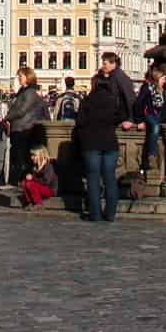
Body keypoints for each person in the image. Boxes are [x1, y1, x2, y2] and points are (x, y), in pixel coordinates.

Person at [74, 58, 129, 223]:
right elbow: (120, 116)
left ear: (94, 85)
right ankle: (110, 214)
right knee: (110, 179)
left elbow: (80, 123)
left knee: (93, 179)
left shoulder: (87, 101)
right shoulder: (113, 101)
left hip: (91, 144)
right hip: (110, 143)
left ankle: (95, 214)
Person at [4, 66, 44, 187]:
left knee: (22, 157)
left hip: (24, 127)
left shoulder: (30, 92)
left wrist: (7, 117)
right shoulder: (23, 91)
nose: (19, 78)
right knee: (18, 156)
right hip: (19, 127)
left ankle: (20, 180)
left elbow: (22, 110)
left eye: (21, 76)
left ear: (28, 77)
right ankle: (16, 180)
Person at [20, 144, 59, 209]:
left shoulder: (48, 166)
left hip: (50, 190)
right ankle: (30, 202)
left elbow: (46, 181)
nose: (31, 157)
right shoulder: (35, 166)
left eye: (34, 155)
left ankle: (39, 203)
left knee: (30, 184)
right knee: (24, 183)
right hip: (41, 187)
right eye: (31, 155)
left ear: (41, 155)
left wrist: (33, 178)